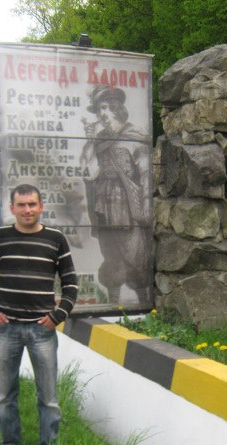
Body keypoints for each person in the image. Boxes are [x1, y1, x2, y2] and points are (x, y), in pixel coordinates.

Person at [0, 184, 78, 445]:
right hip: (6, 328)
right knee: (4, 395)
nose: (27, 210)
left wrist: (57, 316)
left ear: (41, 206)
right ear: (12, 208)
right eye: (21, 205)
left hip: (41, 330)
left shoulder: (56, 239)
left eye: (32, 204)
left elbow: (71, 284)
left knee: (48, 398)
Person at [80, 85, 153, 306]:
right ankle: (113, 305)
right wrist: (91, 143)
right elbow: (89, 172)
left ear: (116, 107)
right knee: (110, 256)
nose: (101, 114)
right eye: (98, 109)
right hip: (104, 206)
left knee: (135, 256)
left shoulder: (136, 135)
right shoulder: (99, 139)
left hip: (128, 207)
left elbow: (146, 174)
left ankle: (144, 304)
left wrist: (147, 206)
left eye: (105, 107)